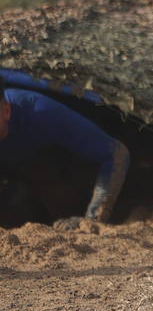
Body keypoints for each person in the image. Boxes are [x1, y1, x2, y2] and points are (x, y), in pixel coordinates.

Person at [0, 81, 129, 228]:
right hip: (21, 168)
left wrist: (93, 219)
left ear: (6, 111)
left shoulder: (39, 112)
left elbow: (116, 154)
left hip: (57, 164)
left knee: (41, 171)